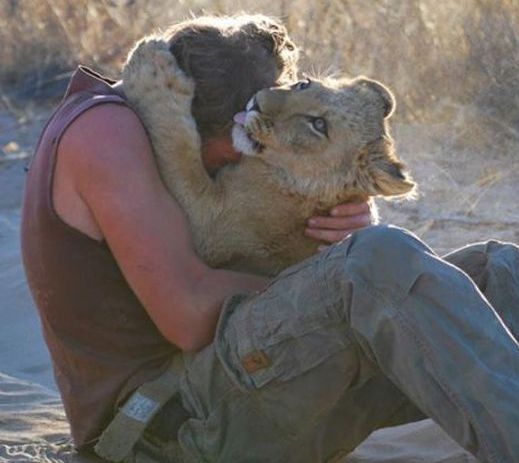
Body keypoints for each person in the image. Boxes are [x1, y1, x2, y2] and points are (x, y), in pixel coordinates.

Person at [20, 14, 519, 463]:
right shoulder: (105, 131)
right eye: (239, 155)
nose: (251, 166)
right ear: (193, 125)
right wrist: (349, 280)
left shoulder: (164, 129)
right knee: (377, 266)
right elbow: (189, 314)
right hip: (167, 431)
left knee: (498, 271)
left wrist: (342, 224)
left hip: (253, 393)